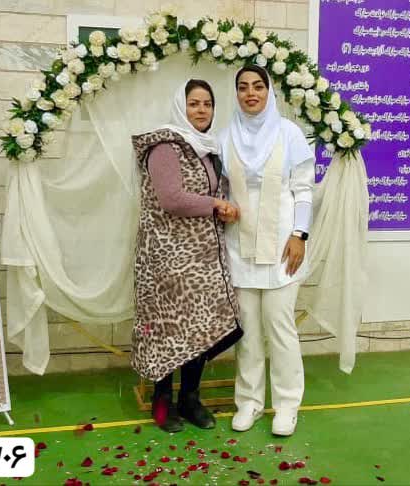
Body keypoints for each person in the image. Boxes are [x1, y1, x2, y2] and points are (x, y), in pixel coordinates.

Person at [130, 79, 242, 433]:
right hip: (165, 256)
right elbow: (172, 198)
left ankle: (190, 399)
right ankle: (162, 401)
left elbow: (209, 193)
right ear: (181, 106)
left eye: (207, 104)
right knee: (168, 329)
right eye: (194, 103)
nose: (201, 110)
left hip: (201, 257)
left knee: (200, 327)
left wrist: (224, 209)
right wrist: (217, 204)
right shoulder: (165, 146)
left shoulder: (207, 148)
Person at [219, 65, 315, 436]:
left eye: (258, 86)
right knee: (247, 330)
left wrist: (300, 234)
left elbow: (304, 190)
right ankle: (249, 403)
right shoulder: (226, 136)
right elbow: (220, 190)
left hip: (282, 246)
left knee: (280, 326)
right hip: (240, 245)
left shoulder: (289, 133)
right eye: (243, 87)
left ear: (269, 91)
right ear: (237, 94)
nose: (251, 93)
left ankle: (287, 406)